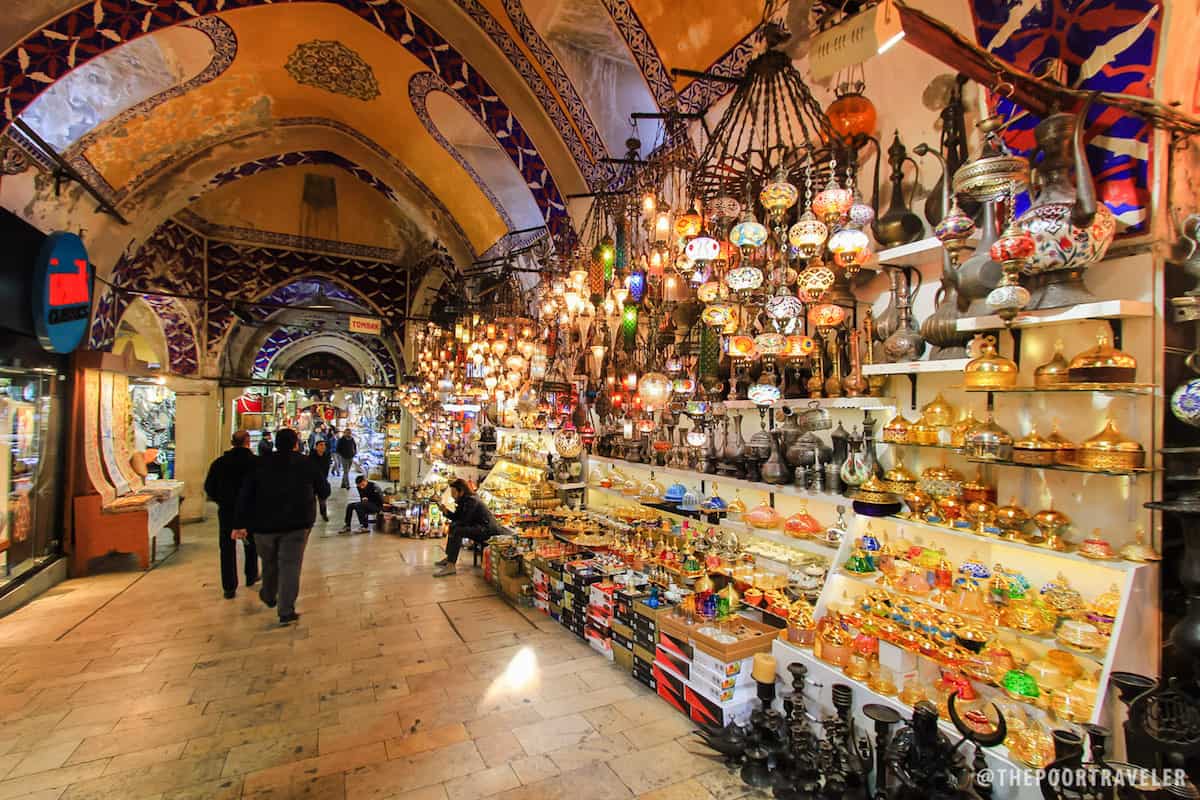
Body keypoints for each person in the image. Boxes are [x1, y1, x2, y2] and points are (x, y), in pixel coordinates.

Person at [233, 428, 330, 626]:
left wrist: (239, 523)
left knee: (269, 562)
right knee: (290, 566)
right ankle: (286, 610)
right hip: (297, 523)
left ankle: (269, 594)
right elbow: (324, 489)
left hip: (263, 525)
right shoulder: (305, 464)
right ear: (296, 444)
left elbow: (245, 494)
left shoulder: (259, 464)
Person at [203, 430, 259, 599]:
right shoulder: (255, 463)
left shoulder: (219, 463)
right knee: (251, 544)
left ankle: (229, 586)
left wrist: (221, 500)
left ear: (232, 442)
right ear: (247, 442)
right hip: (250, 509)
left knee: (227, 547)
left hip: (227, 510)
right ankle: (251, 575)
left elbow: (209, 487)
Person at [433, 479, 500, 577]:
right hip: (479, 527)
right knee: (453, 526)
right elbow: (458, 517)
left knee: (457, 530)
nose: (452, 495)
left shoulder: (472, 500)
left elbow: (465, 520)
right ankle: (449, 559)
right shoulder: (464, 500)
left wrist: (455, 522)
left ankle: (451, 565)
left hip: (487, 530)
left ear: (461, 491)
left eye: (454, 492)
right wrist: (446, 511)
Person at [310, 439, 333, 521]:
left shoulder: (327, 456)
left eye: (324, 445)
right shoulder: (311, 456)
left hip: (322, 481)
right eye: (321, 445)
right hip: (312, 482)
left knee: (322, 500)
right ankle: (311, 516)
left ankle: (324, 514)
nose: (323, 447)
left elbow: (327, 469)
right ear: (316, 447)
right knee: (311, 500)